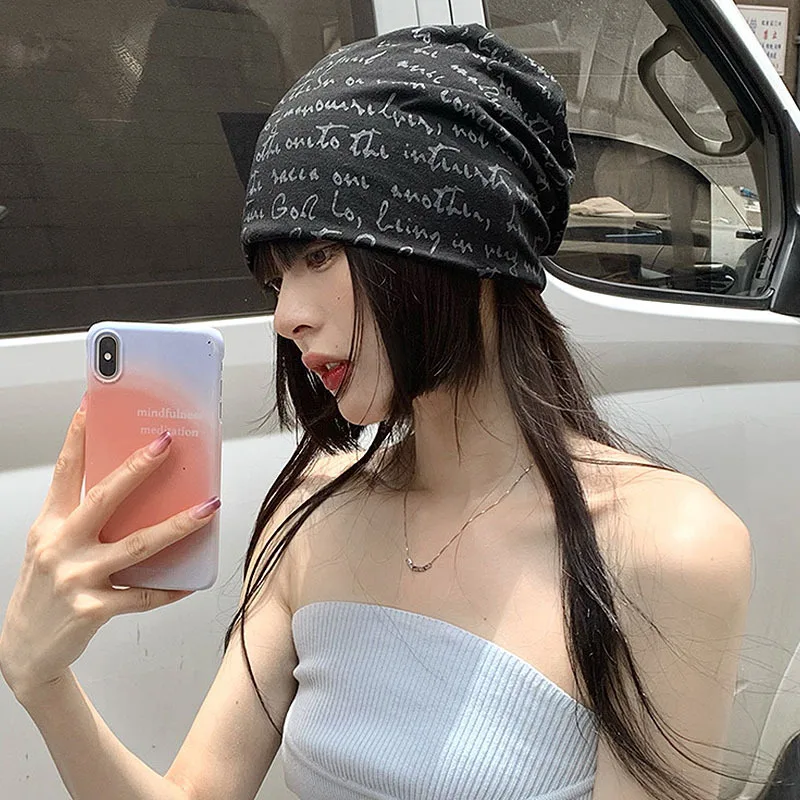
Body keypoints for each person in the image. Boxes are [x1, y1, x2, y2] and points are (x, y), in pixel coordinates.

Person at [0, 23, 751, 800]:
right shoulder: (314, 512)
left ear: (460, 241)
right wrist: (42, 682)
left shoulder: (665, 548)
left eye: (319, 256)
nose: (286, 316)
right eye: (276, 280)